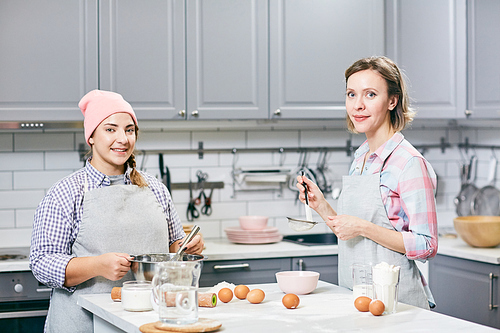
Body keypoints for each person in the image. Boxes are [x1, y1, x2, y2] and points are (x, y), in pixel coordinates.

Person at [29, 89, 204, 332]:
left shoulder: (156, 189)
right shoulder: (66, 193)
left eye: (129, 130)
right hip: (83, 322)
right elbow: (42, 263)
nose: (122, 138)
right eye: (110, 129)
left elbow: (172, 249)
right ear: (91, 136)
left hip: (148, 322)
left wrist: (186, 247)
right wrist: (97, 266)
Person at [297, 56, 437, 309]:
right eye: (351, 94)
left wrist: (363, 227)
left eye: (370, 94)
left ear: (392, 101)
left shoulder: (408, 163)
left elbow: (426, 244)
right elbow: (351, 232)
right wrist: (322, 206)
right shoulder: (361, 157)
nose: (357, 105)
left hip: (398, 305)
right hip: (357, 298)